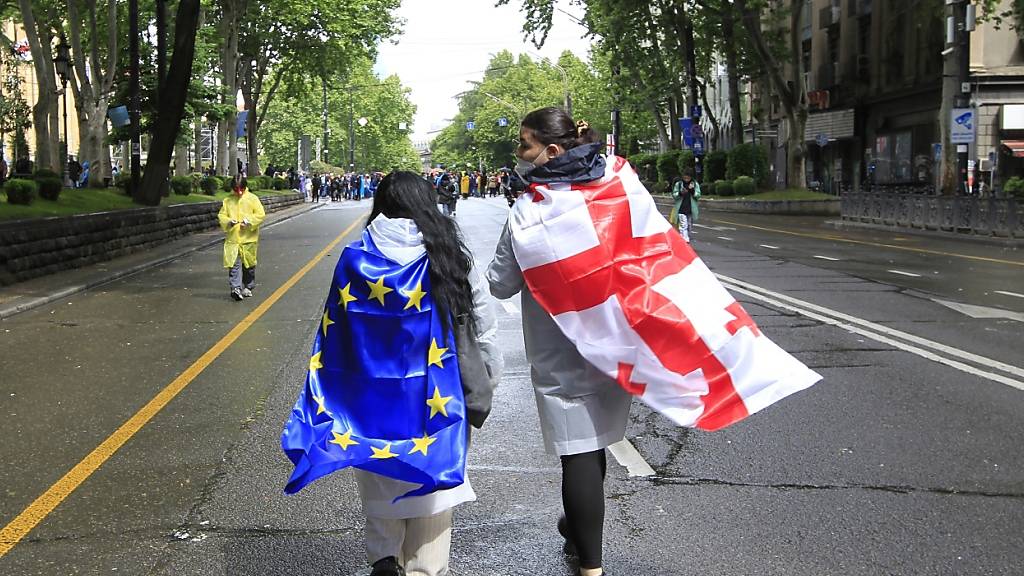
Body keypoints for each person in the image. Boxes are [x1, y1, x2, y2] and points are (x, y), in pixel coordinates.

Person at [284, 171, 502, 576]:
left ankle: (384, 557)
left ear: (380, 203)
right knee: (434, 492)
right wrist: (487, 377)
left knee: (380, 474)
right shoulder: (447, 255)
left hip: (370, 404)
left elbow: (335, 333)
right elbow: (481, 327)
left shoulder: (355, 258)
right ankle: (425, 567)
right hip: (438, 399)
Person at [486, 108, 624, 576]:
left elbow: (500, 284)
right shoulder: (614, 194)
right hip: (613, 341)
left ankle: (591, 564)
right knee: (596, 439)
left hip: (558, 351)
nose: (519, 153)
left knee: (578, 449)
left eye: (525, 144)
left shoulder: (529, 210)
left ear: (553, 152)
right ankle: (577, 528)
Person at [218, 176, 265, 301]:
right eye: (236, 189)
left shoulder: (252, 199)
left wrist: (248, 222)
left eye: (241, 189)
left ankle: (248, 286)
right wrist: (229, 222)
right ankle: (235, 288)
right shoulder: (228, 201)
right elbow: (222, 215)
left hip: (248, 239)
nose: (239, 192)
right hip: (233, 239)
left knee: (248, 265)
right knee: (234, 264)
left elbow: (260, 215)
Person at [669, 171, 700, 242]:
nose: (686, 179)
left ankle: (686, 237)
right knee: (683, 225)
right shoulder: (679, 184)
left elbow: (698, 195)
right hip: (681, 208)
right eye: (685, 177)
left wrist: (692, 191)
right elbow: (674, 195)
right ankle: (685, 240)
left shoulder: (695, 184)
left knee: (689, 226)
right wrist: (681, 193)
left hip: (691, 208)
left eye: (688, 178)